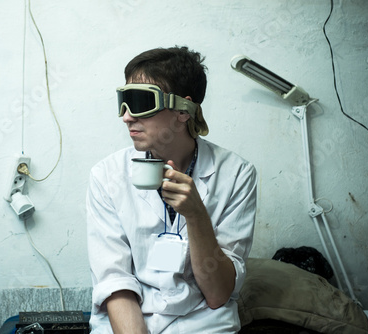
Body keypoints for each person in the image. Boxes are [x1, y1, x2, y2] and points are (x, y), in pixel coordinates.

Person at [87, 46, 257, 333]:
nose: (126, 116)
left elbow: (218, 294)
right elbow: (115, 282)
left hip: (204, 322)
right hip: (129, 321)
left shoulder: (236, 174)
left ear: (182, 110)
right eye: (123, 101)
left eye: (140, 101)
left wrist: (196, 215)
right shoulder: (107, 176)